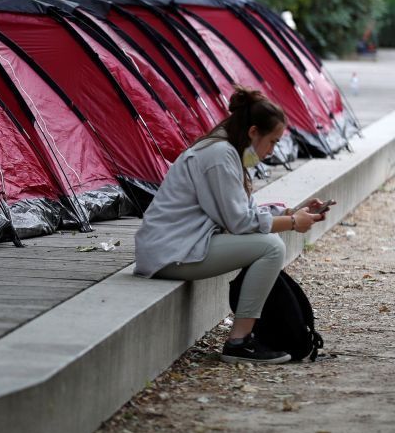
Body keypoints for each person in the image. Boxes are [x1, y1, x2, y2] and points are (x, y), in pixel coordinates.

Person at [134, 87, 327, 364]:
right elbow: (240, 223)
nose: (273, 151)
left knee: (268, 244)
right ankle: (239, 343)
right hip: (170, 253)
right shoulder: (220, 155)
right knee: (271, 247)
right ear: (253, 132)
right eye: (272, 141)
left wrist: (291, 211)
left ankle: (244, 338)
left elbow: (242, 212)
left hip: (180, 246)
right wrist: (294, 223)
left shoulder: (228, 151)